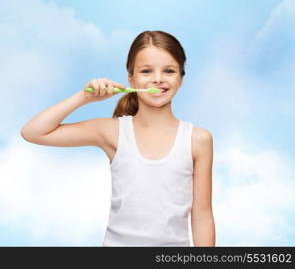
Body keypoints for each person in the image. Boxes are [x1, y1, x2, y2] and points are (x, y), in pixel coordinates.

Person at [21, 30, 215, 247]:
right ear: (131, 78)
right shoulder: (111, 131)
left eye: (169, 70)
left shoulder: (198, 140)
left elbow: (202, 216)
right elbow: (33, 132)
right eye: (146, 71)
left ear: (181, 78)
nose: (158, 79)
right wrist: (83, 98)